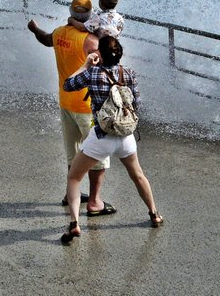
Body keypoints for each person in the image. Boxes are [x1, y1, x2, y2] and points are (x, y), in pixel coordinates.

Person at [59, 34, 163, 245]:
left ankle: (74, 224)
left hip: (101, 136)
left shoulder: (93, 74)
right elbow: (137, 103)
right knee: (138, 175)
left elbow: (68, 85)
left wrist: (86, 65)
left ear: (100, 54)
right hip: (126, 136)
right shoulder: (130, 74)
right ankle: (154, 214)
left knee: (74, 177)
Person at [27, 0, 114, 216]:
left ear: (72, 12)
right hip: (88, 107)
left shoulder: (59, 33)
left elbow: (45, 39)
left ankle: (70, 193)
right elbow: (108, 63)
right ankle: (95, 202)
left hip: (66, 102)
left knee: (73, 152)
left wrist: (34, 28)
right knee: (97, 154)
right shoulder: (90, 41)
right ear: (90, 15)